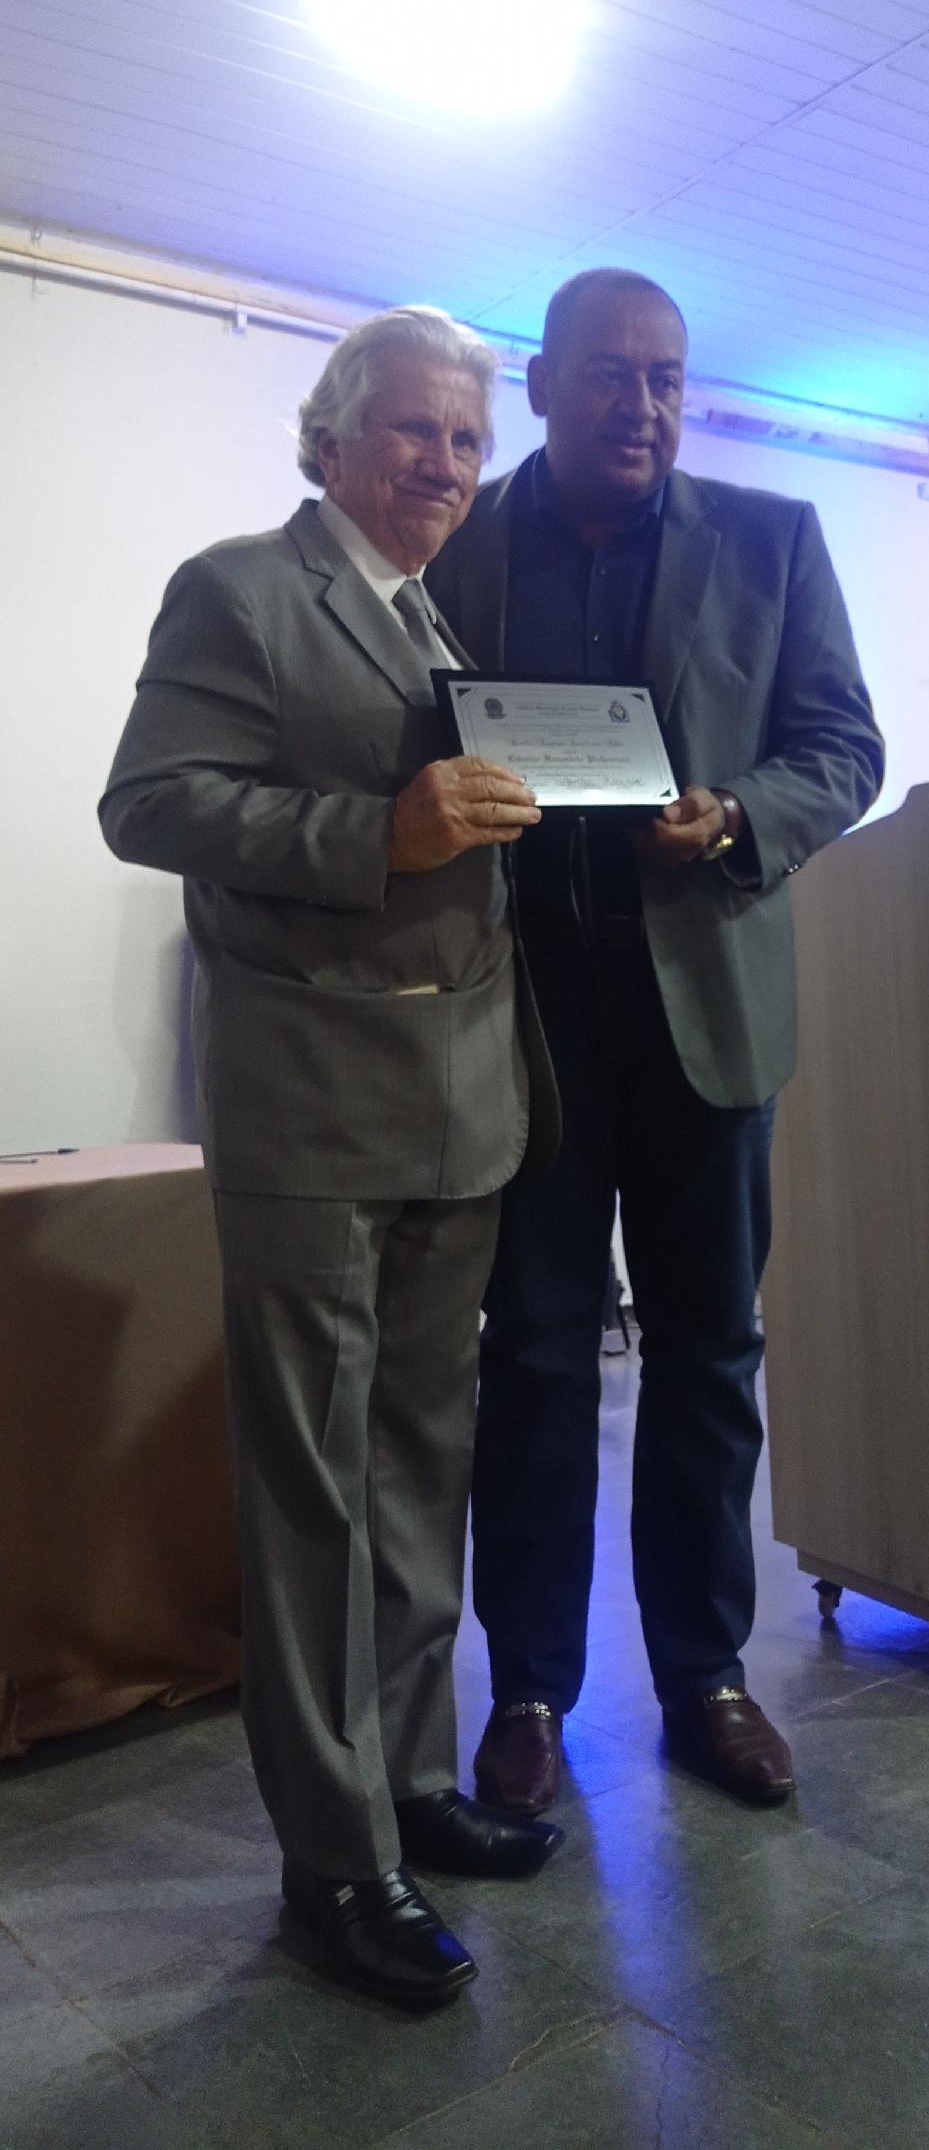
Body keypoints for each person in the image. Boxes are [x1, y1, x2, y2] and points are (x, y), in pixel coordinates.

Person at [99, 306, 563, 2012]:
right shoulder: (238, 589)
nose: (445, 462)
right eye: (414, 430)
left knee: (422, 1462)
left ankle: (415, 1782)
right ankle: (334, 1860)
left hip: (460, 1100)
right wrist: (380, 830)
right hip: (307, 1105)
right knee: (309, 1483)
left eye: (467, 438)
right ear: (330, 437)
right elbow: (150, 803)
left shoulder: (443, 617)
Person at [428, 268, 885, 1815]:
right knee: (535, 1358)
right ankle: (531, 1692)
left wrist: (741, 812)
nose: (644, 406)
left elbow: (845, 745)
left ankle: (706, 1676)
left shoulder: (774, 540)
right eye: (612, 375)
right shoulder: (461, 544)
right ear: (541, 384)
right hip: (527, 1020)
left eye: (669, 379)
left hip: (709, 1011)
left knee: (708, 1354)